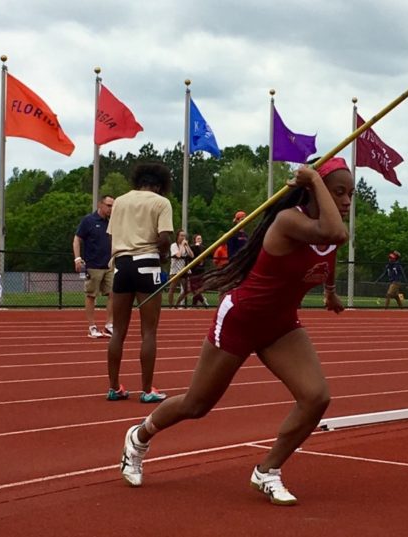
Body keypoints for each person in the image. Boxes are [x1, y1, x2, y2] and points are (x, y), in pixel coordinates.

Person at [119, 157, 353, 506]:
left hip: (281, 326)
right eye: (339, 193)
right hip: (240, 320)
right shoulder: (291, 221)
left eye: (351, 194)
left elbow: (328, 253)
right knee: (197, 405)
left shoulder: (328, 231)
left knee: (316, 397)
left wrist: (331, 291)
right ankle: (138, 437)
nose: (347, 201)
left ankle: (268, 470)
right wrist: (311, 179)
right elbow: (334, 234)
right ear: (313, 191)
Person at [106, 162, 174, 403]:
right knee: (148, 332)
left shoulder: (120, 201)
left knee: (118, 332)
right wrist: (164, 255)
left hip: (121, 265)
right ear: (158, 185)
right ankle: (147, 390)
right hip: (147, 263)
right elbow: (165, 238)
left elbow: (113, 235)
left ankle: (114, 387)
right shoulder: (160, 202)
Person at [73, 195, 115, 338]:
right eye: (109, 205)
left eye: (113, 206)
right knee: (91, 295)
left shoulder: (112, 222)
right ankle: (92, 326)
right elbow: (77, 239)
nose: (111, 209)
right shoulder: (88, 220)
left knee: (113, 294)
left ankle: (109, 324)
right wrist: (78, 258)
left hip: (109, 265)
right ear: (100, 205)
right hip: (92, 265)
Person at [167, 230, 193, 308]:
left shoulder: (185, 245)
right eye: (181, 235)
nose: (183, 237)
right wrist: (181, 245)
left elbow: (192, 255)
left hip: (184, 269)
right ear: (177, 236)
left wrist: (187, 246)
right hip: (175, 270)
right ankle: (170, 306)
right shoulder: (173, 245)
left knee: (187, 289)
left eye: (184, 236)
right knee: (172, 289)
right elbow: (178, 255)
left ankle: (176, 304)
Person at [187, 234, 209, 307]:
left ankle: (194, 304)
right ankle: (203, 301)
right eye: (198, 239)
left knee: (198, 288)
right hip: (193, 270)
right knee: (193, 288)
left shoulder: (203, 247)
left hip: (201, 270)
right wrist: (196, 246)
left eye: (200, 238)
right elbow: (191, 256)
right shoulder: (192, 247)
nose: (200, 240)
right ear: (195, 240)